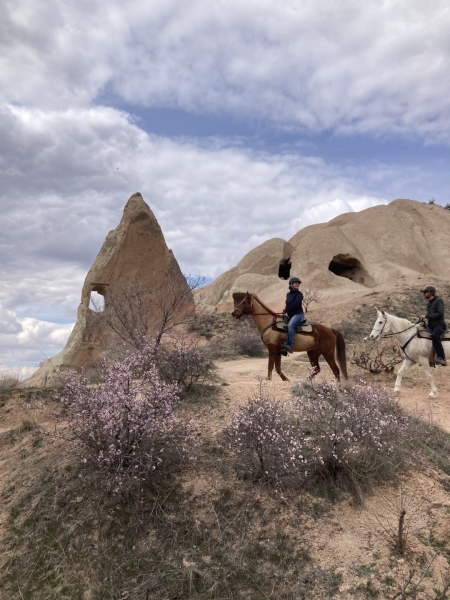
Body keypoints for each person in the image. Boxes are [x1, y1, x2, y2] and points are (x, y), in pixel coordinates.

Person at [420, 285, 447, 366]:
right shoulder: (429, 304)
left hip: (439, 325)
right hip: (431, 325)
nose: (424, 294)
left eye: (425, 292)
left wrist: (427, 316)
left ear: (431, 293)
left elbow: (440, 314)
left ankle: (441, 358)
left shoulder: (439, 301)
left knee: (435, 335)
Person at [281, 276, 305, 353]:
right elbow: (288, 304)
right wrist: (285, 309)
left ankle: (290, 345)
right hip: (291, 315)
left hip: (298, 315)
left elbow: (296, 304)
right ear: (291, 284)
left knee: (290, 325)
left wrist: (288, 309)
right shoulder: (288, 294)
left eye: (298, 283)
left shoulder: (299, 294)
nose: (297, 284)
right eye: (295, 283)